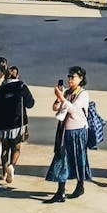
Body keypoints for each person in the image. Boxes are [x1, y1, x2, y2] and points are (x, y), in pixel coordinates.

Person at [44, 66, 90, 203]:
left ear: (80, 79)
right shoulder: (68, 92)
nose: (70, 79)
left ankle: (80, 185)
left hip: (78, 131)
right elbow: (55, 108)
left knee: (79, 159)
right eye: (69, 76)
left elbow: (74, 110)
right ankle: (60, 191)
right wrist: (59, 98)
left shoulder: (83, 94)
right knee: (61, 158)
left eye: (73, 77)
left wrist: (61, 98)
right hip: (64, 130)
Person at [0, 65, 34, 185]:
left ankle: (4, 172)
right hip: (17, 123)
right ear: (17, 75)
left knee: (5, 148)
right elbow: (30, 103)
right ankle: (12, 166)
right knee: (16, 148)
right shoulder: (21, 86)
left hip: (2, 125)